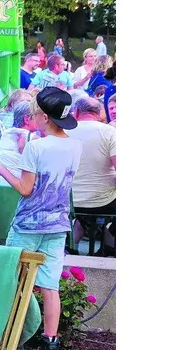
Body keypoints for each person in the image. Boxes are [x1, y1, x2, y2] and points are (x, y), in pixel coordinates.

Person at [0, 87, 82, 350]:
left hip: (27, 224)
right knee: (50, 287)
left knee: (13, 283)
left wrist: (0, 170)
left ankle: (10, 344)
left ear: (44, 117)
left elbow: (25, 189)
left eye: (34, 114)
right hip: (57, 224)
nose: (31, 118)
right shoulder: (75, 146)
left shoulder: (36, 146)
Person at [65, 96, 116, 248]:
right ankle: (110, 244)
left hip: (67, 201)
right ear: (99, 113)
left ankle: (73, 243)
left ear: (77, 112)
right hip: (102, 202)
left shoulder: (64, 132)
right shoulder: (110, 132)